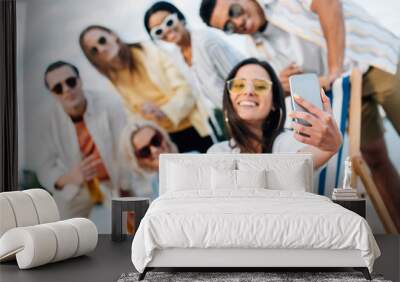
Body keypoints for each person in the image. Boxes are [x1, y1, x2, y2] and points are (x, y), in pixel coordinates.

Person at [200, 0, 400, 225]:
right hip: (344, 90)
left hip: (375, 59)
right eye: (228, 26)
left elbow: (329, 6)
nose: (237, 23)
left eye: (233, 11)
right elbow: (294, 85)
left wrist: (334, 69)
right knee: (376, 160)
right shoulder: (257, 48)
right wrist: (281, 85)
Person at [79, 25, 212, 153]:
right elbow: (132, 117)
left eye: (102, 40)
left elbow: (185, 89)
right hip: (161, 141)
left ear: (113, 35)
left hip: (195, 125)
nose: (101, 49)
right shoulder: (113, 82)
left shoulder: (149, 50)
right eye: (94, 50)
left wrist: (164, 112)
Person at [208, 58, 342, 170]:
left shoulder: (287, 143)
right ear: (229, 98)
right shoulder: (217, 152)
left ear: (273, 103)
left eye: (260, 86)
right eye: (238, 85)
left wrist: (330, 146)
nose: (248, 91)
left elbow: (306, 159)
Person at [36, 61, 129, 219]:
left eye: (71, 82)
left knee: (134, 228)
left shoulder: (109, 103)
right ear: (53, 93)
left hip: (114, 180)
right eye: (58, 88)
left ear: (80, 80)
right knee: (60, 229)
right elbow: (44, 168)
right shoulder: (46, 121)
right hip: (76, 188)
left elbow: (126, 145)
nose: (67, 90)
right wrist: (70, 177)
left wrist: (125, 183)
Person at [144, 1, 245, 141]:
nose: (166, 30)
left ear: (179, 17)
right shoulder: (176, 56)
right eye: (158, 31)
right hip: (226, 117)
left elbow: (240, 78)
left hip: (245, 108)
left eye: (168, 22)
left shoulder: (206, 41)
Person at [120, 120, 177, 200]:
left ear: (163, 136)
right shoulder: (155, 184)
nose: (154, 150)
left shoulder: (197, 159)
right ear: (139, 161)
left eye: (155, 140)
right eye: (145, 151)